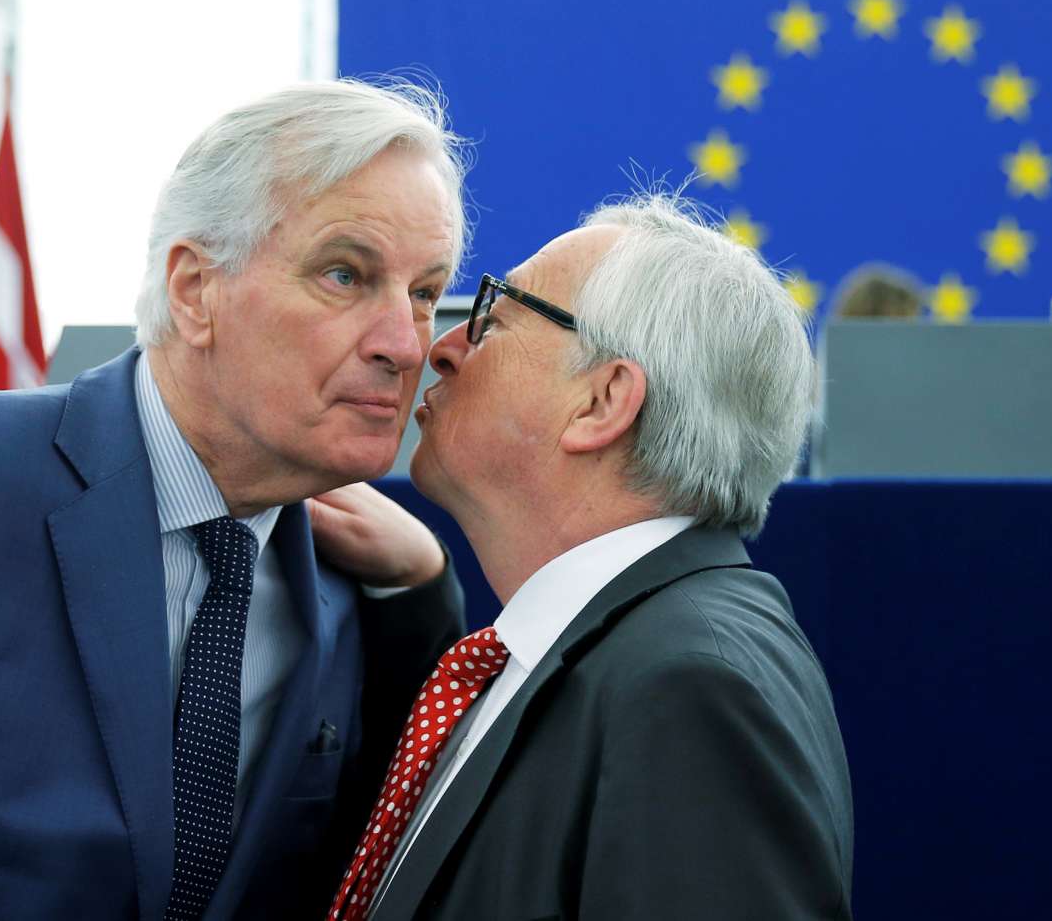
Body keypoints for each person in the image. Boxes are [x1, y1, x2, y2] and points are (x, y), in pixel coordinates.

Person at [0, 79, 469, 920]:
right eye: (344, 274)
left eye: (424, 293)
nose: (405, 343)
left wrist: (423, 591)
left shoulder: (357, 586)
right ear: (194, 289)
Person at [324, 193, 854, 920]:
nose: (440, 348)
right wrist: (416, 596)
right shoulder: (640, 652)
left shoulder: (689, 689)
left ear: (602, 402)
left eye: (494, 317)